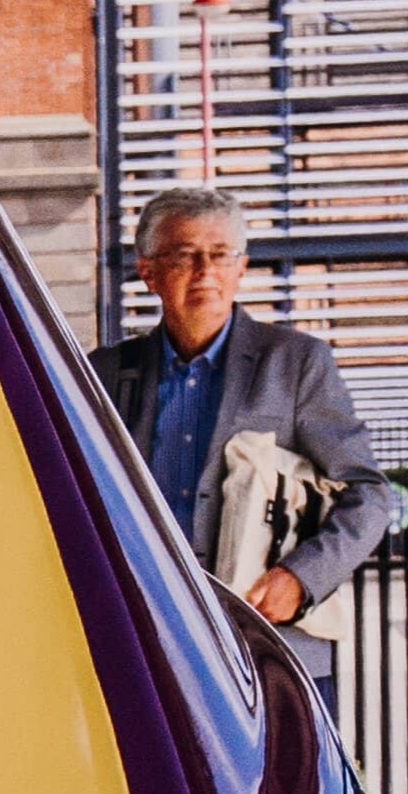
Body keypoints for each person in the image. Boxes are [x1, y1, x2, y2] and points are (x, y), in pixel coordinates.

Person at [101, 188, 384, 633]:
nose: (205, 272)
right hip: (146, 631)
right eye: (184, 256)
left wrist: (301, 577)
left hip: (267, 638)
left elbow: (368, 493)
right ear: (148, 272)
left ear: (241, 267)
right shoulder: (106, 374)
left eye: (220, 255)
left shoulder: (295, 364)